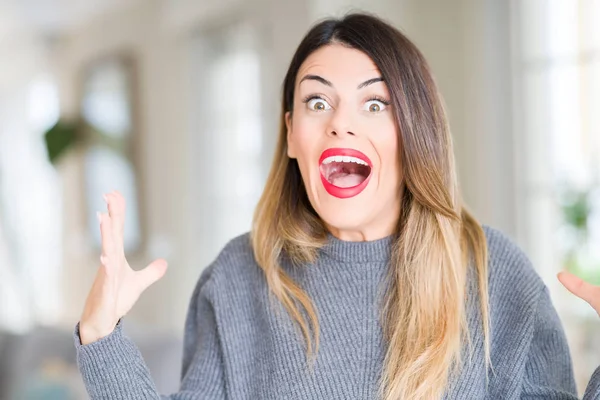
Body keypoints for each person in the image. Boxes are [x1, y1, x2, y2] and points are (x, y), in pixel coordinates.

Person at [74, 12, 600, 400]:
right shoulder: (239, 277)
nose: (339, 123)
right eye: (317, 101)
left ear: (413, 133)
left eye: (375, 104)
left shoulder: (495, 276)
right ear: (291, 135)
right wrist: (101, 338)